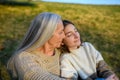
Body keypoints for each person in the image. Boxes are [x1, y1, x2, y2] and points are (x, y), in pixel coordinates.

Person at [7, 12, 66, 80]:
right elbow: (35, 76)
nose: (64, 36)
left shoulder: (61, 51)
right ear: (47, 34)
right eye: (60, 32)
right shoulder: (22, 58)